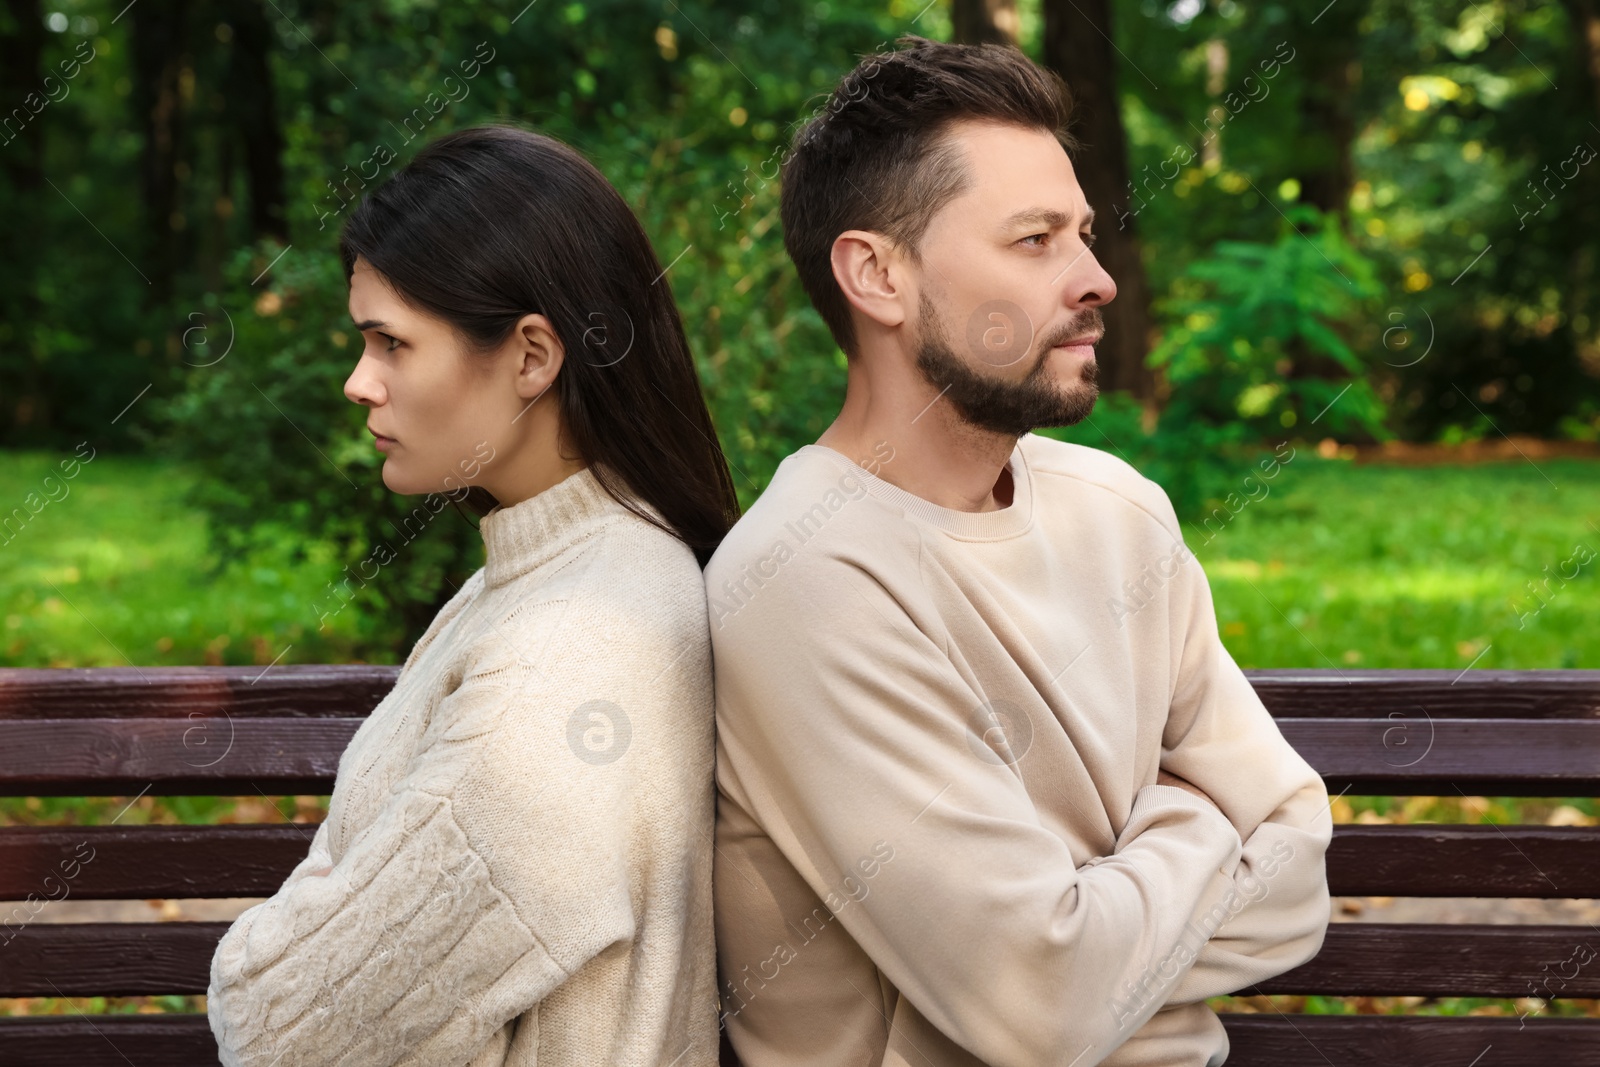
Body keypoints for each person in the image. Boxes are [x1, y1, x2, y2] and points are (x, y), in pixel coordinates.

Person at [708, 36, 1331, 1067]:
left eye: (1082, 234)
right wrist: (1200, 816)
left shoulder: (1116, 512)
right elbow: (1036, 1005)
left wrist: (1095, 921)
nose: (1095, 279)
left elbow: (1297, 876)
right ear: (878, 274)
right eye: (1035, 240)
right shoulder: (805, 579)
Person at [207, 124, 737, 1067]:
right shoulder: (546, 576)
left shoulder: (574, 646)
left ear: (533, 356)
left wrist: (287, 932)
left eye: (390, 343)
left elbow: (286, 1028)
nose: (357, 383)